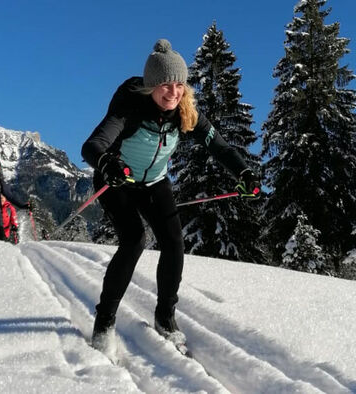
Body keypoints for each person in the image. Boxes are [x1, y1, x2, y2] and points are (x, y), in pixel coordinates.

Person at [81, 39, 261, 354]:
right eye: (165, 84)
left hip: (154, 182)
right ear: (151, 84)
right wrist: (108, 162)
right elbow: (93, 144)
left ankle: (165, 317)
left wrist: (244, 173)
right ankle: (105, 321)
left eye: (179, 84)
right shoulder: (129, 107)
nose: (173, 92)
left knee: (174, 242)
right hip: (118, 179)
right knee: (134, 239)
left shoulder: (186, 112)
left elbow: (219, 147)